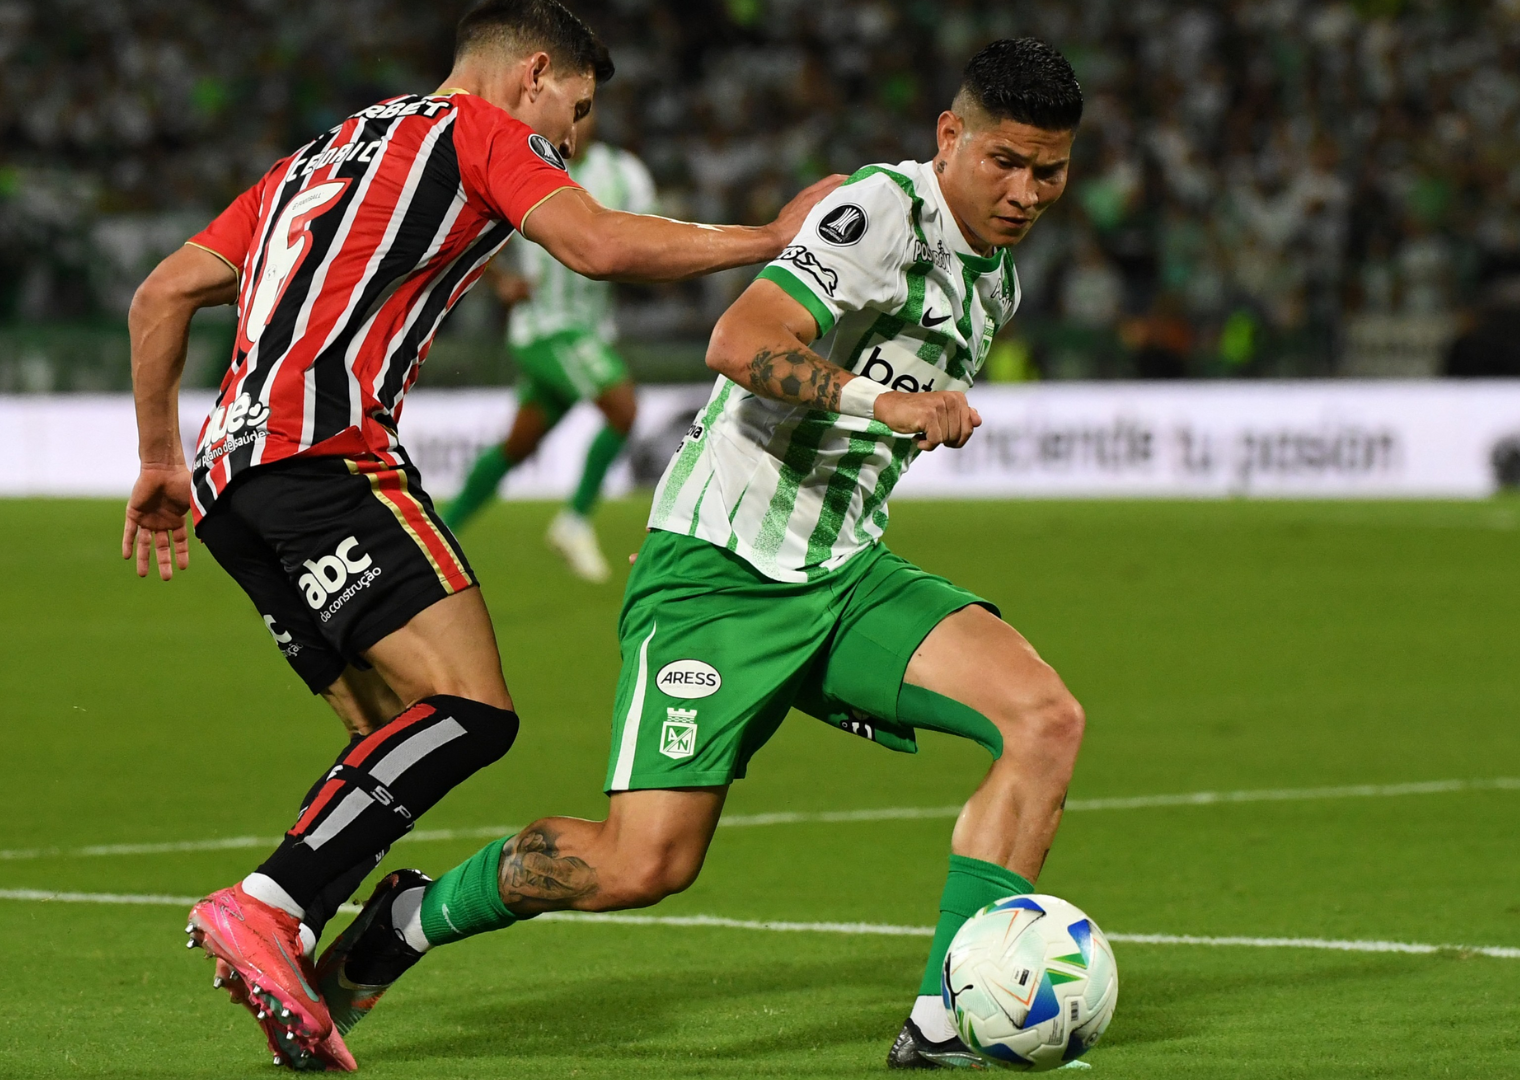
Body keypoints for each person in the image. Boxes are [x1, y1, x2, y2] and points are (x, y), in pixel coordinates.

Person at [312, 37, 1088, 1072]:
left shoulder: (995, 281)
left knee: (1043, 720)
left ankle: (945, 1021)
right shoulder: (880, 215)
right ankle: (408, 921)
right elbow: (739, 340)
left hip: (842, 572)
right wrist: (884, 403)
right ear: (950, 136)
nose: (1027, 193)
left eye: (1050, 172)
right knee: (643, 864)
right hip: (718, 573)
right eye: (1007, 162)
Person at [119, 0, 840, 1070]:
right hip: (327, 456)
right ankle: (269, 906)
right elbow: (595, 244)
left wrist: (160, 460)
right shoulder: (476, 131)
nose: (574, 140)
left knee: (392, 730)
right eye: (576, 110)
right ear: (531, 74)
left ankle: (325, 947)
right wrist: (773, 239)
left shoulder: (320, 156)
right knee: (470, 709)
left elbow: (162, 293)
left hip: (231, 484)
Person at [443, 105, 657, 581]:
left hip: (591, 328)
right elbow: (469, 225)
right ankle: (574, 521)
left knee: (517, 446)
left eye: (588, 109)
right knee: (623, 408)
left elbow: (646, 234)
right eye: (572, 110)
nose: (579, 120)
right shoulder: (524, 164)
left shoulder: (624, 173)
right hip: (546, 326)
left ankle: (442, 531)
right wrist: (499, 278)